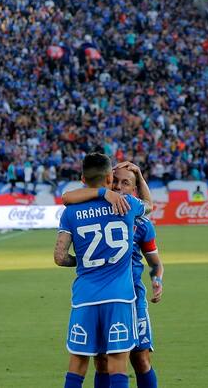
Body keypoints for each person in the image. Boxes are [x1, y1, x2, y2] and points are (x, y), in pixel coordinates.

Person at [62, 161, 163, 388]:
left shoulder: (141, 223)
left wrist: (157, 279)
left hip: (133, 297)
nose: (118, 187)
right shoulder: (97, 209)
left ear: (134, 189)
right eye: (115, 181)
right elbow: (68, 198)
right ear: (108, 180)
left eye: (125, 183)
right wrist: (103, 193)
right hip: (110, 297)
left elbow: (155, 263)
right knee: (102, 361)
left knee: (141, 359)